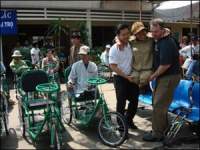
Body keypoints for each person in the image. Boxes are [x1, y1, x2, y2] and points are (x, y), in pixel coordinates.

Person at [143, 18, 181, 142]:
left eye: (156, 31)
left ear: (162, 29)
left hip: (169, 76)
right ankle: (163, 128)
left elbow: (165, 65)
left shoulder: (166, 42)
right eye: (152, 31)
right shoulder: (159, 39)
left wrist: (152, 76)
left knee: (159, 104)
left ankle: (157, 134)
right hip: (164, 76)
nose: (153, 34)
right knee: (158, 103)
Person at [109, 24, 139, 129]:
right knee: (121, 101)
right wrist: (126, 77)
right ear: (118, 35)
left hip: (131, 77)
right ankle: (121, 125)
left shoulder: (130, 44)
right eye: (123, 34)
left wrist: (129, 77)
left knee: (135, 99)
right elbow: (113, 66)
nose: (126, 36)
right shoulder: (114, 49)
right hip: (120, 78)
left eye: (127, 33)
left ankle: (129, 120)